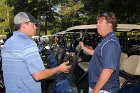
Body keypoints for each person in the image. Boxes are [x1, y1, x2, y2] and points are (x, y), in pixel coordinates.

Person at [1, 12, 71, 93]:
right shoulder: (28, 43)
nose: (36, 27)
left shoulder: (8, 43)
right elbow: (38, 75)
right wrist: (59, 69)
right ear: (24, 25)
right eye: (34, 24)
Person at [79, 12, 121, 93]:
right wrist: (84, 47)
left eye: (100, 22)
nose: (97, 25)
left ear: (110, 24)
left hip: (104, 89)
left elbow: (108, 70)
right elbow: (96, 53)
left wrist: (95, 91)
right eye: (97, 22)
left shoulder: (110, 43)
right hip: (98, 87)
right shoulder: (105, 40)